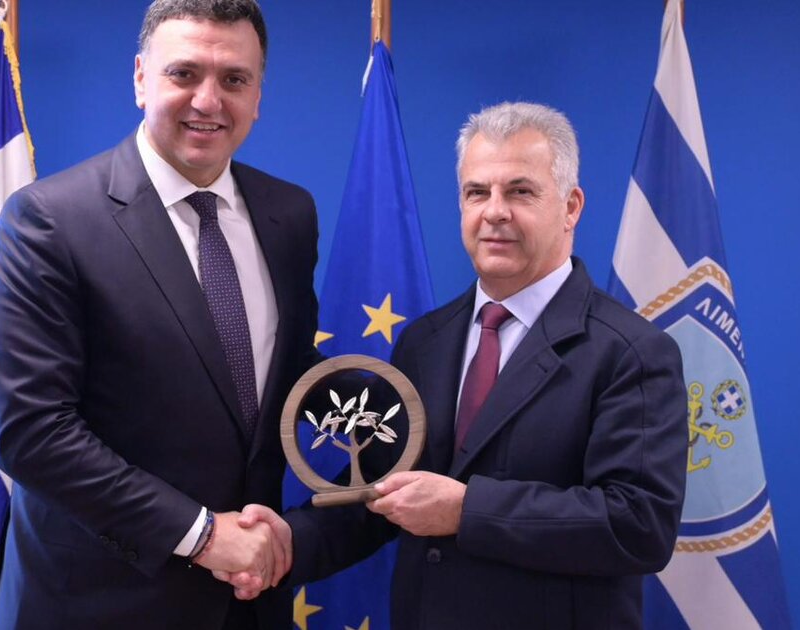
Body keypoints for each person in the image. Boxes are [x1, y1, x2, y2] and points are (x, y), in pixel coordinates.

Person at [233, 101, 688, 629]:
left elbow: (638, 525)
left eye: (520, 191)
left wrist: (467, 509)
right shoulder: (424, 342)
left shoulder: (631, 352)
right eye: (477, 192)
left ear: (571, 207)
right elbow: (382, 487)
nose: (494, 212)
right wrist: (289, 541)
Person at [0, 1, 318, 628]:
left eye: (234, 79)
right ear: (140, 78)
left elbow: (290, 374)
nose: (208, 101)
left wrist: (407, 422)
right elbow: (31, 432)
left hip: (248, 604)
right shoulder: (49, 221)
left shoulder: (289, 214)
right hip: (97, 606)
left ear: (258, 95)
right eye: (184, 74)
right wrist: (204, 536)